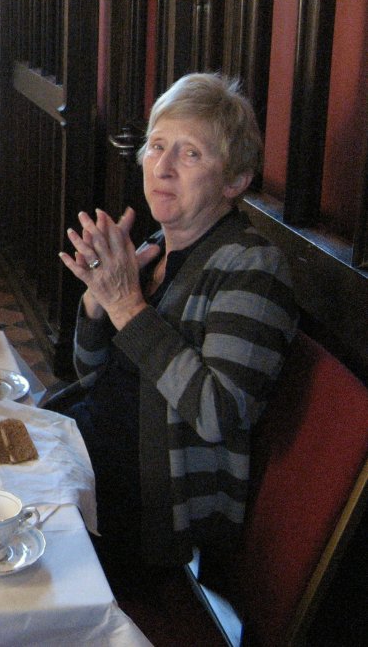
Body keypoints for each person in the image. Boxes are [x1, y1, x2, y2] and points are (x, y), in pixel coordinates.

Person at [54, 73, 298, 577]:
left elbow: (218, 413)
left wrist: (126, 304)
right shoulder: (156, 247)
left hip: (150, 508)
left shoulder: (252, 267)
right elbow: (90, 372)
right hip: (91, 457)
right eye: (157, 146)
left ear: (234, 180)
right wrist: (98, 301)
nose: (162, 167)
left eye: (190, 154)